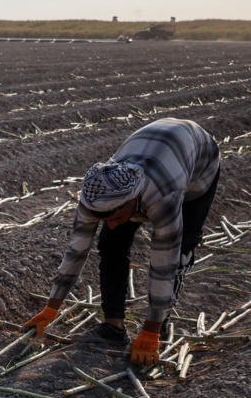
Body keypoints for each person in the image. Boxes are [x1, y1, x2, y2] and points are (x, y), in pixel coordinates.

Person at [23, 118, 220, 366]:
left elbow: (163, 264)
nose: (112, 223)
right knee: (110, 243)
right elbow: (76, 251)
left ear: (134, 198)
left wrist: (150, 329)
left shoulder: (163, 196)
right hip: (156, 151)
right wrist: (51, 307)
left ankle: (160, 324)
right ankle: (113, 326)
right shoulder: (95, 196)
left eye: (116, 217)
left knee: (180, 250)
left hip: (197, 162)